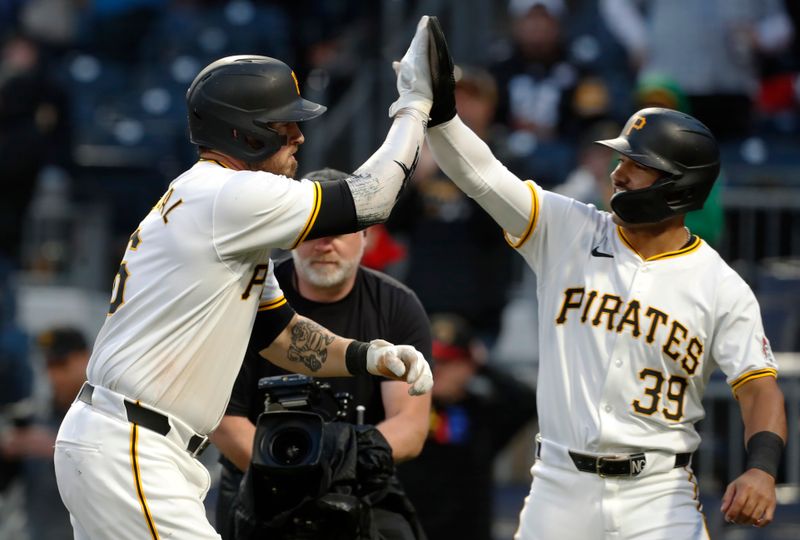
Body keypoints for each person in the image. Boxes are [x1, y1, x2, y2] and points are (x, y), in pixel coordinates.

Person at [53, 16, 443, 540]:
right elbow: (372, 198)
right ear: (245, 133)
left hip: (129, 443)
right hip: (134, 447)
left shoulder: (221, 206)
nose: (299, 136)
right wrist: (414, 109)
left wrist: (365, 355)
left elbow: (280, 336)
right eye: (285, 125)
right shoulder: (228, 196)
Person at [416, 22, 787, 538]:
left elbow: (759, 387)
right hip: (558, 487)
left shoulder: (720, 285)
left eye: (638, 164)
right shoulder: (568, 227)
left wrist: (763, 467)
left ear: (679, 187)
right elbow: (483, 175)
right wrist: (440, 116)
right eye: (621, 157)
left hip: (658, 495)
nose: (618, 172)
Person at [211, 167, 432, 539]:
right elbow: (224, 421)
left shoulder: (397, 306)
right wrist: (293, 480)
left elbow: (409, 428)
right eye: (312, 230)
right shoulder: (248, 297)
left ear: (366, 236)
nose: (324, 244)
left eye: (340, 230)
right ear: (290, 236)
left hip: (360, 487)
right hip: (258, 485)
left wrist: (339, 473)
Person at [397, 313, 536, 540]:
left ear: (468, 366)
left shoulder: (482, 412)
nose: (437, 370)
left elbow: (526, 401)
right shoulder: (401, 410)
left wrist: (483, 365)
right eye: (429, 360)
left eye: (449, 362)